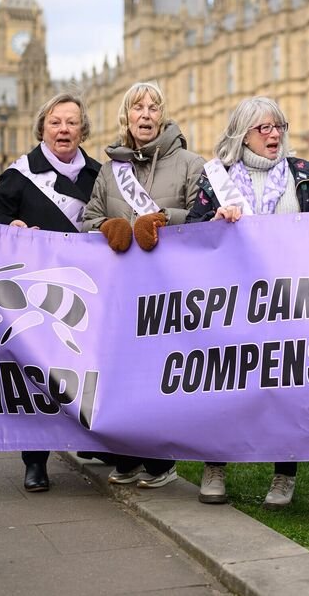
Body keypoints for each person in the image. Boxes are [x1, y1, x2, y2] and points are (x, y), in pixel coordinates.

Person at [184, 96, 309, 509]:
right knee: (224, 380)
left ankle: (284, 473)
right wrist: (214, 223)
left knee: (288, 384)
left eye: (278, 126)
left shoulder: (303, 174)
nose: (274, 134)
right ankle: (215, 466)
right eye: (264, 128)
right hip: (234, 300)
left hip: (289, 299)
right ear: (243, 134)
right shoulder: (218, 178)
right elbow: (193, 232)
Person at [81, 81, 206, 488]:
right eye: (138, 107)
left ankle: (161, 461)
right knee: (125, 373)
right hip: (122, 288)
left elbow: (204, 217)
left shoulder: (189, 163)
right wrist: (107, 225)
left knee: (163, 373)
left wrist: (165, 218)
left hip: (171, 288)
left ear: (163, 116)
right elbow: (88, 218)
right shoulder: (110, 170)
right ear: (127, 117)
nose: (146, 114)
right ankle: (130, 455)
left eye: (154, 107)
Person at [0, 92, 101, 493]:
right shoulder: (19, 175)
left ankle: (88, 440)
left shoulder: (98, 175)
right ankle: (35, 460)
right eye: (55, 122)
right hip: (39, 295)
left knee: (85, 373)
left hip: (88, 293)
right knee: (39, 376)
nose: (64, 129)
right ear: (42, 129)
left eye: (71, 122)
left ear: (83, 129)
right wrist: (10, 226)